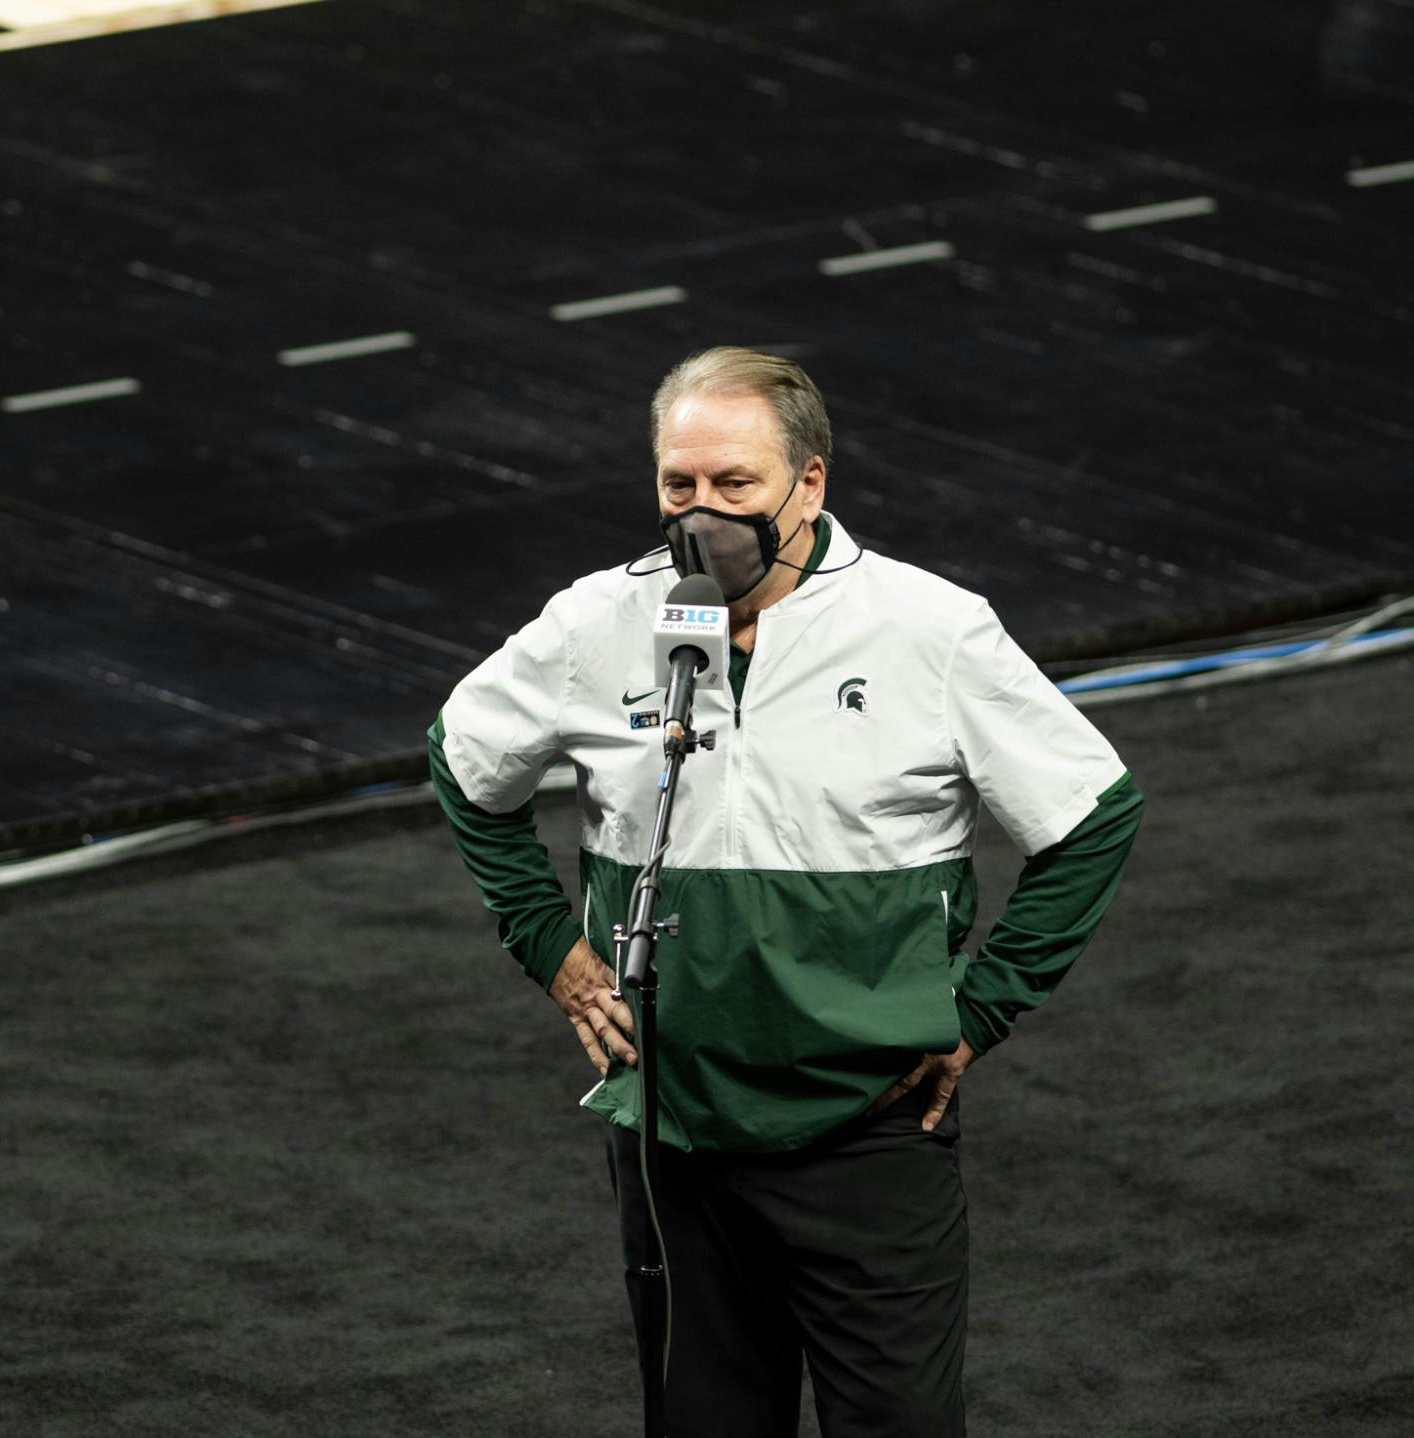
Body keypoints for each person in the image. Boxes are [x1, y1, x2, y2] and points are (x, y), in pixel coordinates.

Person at [427, 347, 1144, 1437]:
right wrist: (549, 946)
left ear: (809, 484)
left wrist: (981, 1008)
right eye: (679, 486)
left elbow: (1093, 814)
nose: (701, 514)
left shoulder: (928, 628)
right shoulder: (595, 623)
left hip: (868, 1130)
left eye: (735, 486)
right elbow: (463, 759)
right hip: (670, 1128)